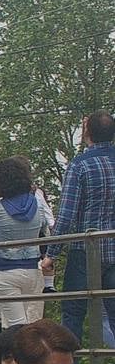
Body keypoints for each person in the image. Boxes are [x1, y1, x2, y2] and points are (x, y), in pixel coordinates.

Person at [44, 111, 115, 342]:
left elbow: (66, 215)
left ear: (87, 133)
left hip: (84, 251)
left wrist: (51, 255)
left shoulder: (80, 166)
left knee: (73, 313)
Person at [0, 156, 51, 327]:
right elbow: (45, 228)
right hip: (32, 270)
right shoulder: (37, 204)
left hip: (5, 271)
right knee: (30, 323)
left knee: (14, 326)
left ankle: (14, 354)